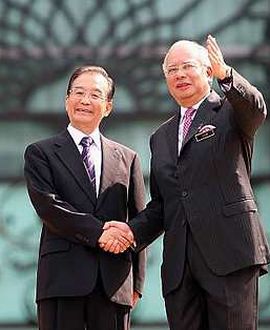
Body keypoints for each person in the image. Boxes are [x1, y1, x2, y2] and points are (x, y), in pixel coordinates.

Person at [101, 35, 270, 329]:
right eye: (172, 70)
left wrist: (227, 75)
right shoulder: (161, 137)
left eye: (187, 66)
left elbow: (256, 108)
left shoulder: (230, 113)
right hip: (180, 268)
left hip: (230, 254)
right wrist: (131, 230)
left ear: (207, 71)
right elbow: (163, 205)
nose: (179, 75)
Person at [24, 65, 146, 330]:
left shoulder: (128, 158)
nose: (85, 101)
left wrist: (136, 283)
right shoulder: (40, 153)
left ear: (108, 106)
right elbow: (49, 207)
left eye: (95, 95)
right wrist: (100, 233)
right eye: (78, 93)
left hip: (114, 283)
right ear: (67, 100)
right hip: (62, 281)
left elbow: (138, 220)